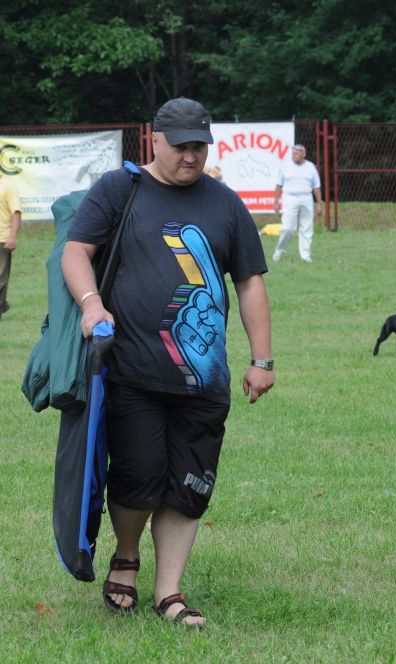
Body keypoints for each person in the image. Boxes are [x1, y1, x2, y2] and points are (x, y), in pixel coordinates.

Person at [61, 97, 274, 628]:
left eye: (199, 145)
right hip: (132, 371)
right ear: (153, 140)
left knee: (190, 484)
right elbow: (75, 251)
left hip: (205, 380)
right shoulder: (120, 189)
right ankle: (126, 556)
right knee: (136, 476)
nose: (191, 155)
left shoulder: (225, 203)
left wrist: (262, 358)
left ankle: (170, 592)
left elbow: (249, 281)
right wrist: (91, 304)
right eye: (181, 145)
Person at [272, 143, 322, 263]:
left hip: (306, 198)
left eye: (297, 152)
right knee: (288, 228)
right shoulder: (285, 166)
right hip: (290, 198)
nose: (294, 155)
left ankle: (305, 255)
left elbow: (316, 186)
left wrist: (319, 203)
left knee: (307, 227)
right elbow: (279, 185)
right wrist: (276, 201)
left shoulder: (310, 167)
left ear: (303, 154)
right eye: (293, 152)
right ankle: (279, 250)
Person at [0, 173, 22, 321]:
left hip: (2, 239)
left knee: (0, 279)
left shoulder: (7, 186)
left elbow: (16, 212)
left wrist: (12, 236)